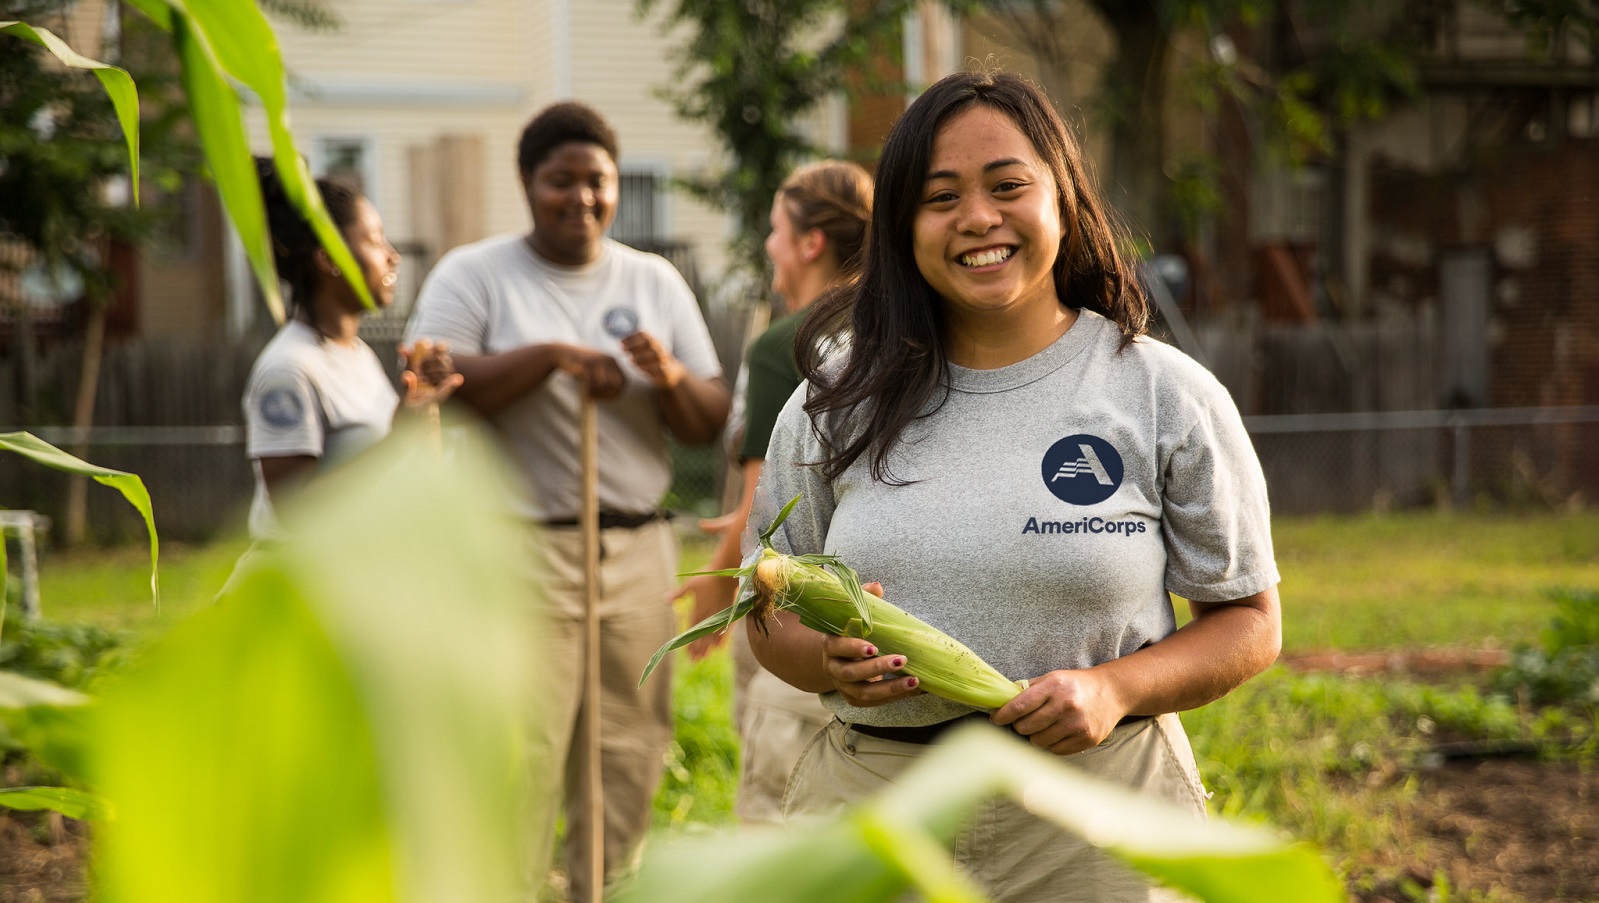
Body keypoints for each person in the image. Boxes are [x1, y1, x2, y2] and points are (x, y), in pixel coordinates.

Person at [745, 69, 1282, 902]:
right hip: (876, 809)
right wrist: (825, 661)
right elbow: (766, 606)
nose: (978, 219)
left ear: (1061, 199)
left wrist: (1114, 687)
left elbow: (1247, 620)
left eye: (1007, 186)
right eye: (940, 196)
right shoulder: (833, 399)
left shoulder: (1160, 393)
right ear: (901, 226)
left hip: (1095, 810)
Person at [402, 101, 730, 903]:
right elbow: (433, 375)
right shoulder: (474, 273)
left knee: (628, 745)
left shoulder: (651, 279)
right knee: (522, 743)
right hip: (519, 548)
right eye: (561, 181)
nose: (580, 198)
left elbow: (709, 417)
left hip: (635, 550)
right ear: (527, 183)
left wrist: (667, 374)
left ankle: (602, 889)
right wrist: (551, 356)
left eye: (597, 182)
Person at [668, 160, 872, 825]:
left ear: (811, 243)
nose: (768, 246)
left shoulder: (785, 343)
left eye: (775, 230)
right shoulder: (895, 326)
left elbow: (766, 497)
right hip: (876, 611)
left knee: (776, 807)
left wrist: (717, 577)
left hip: (796, 610)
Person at [240, 158, 460, 547]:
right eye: (375, 241)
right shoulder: (289, 369)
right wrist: (397, 437)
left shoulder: (358, 354)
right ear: (328, 259)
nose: (392, 255)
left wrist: (423, 405)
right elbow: (294, 512)